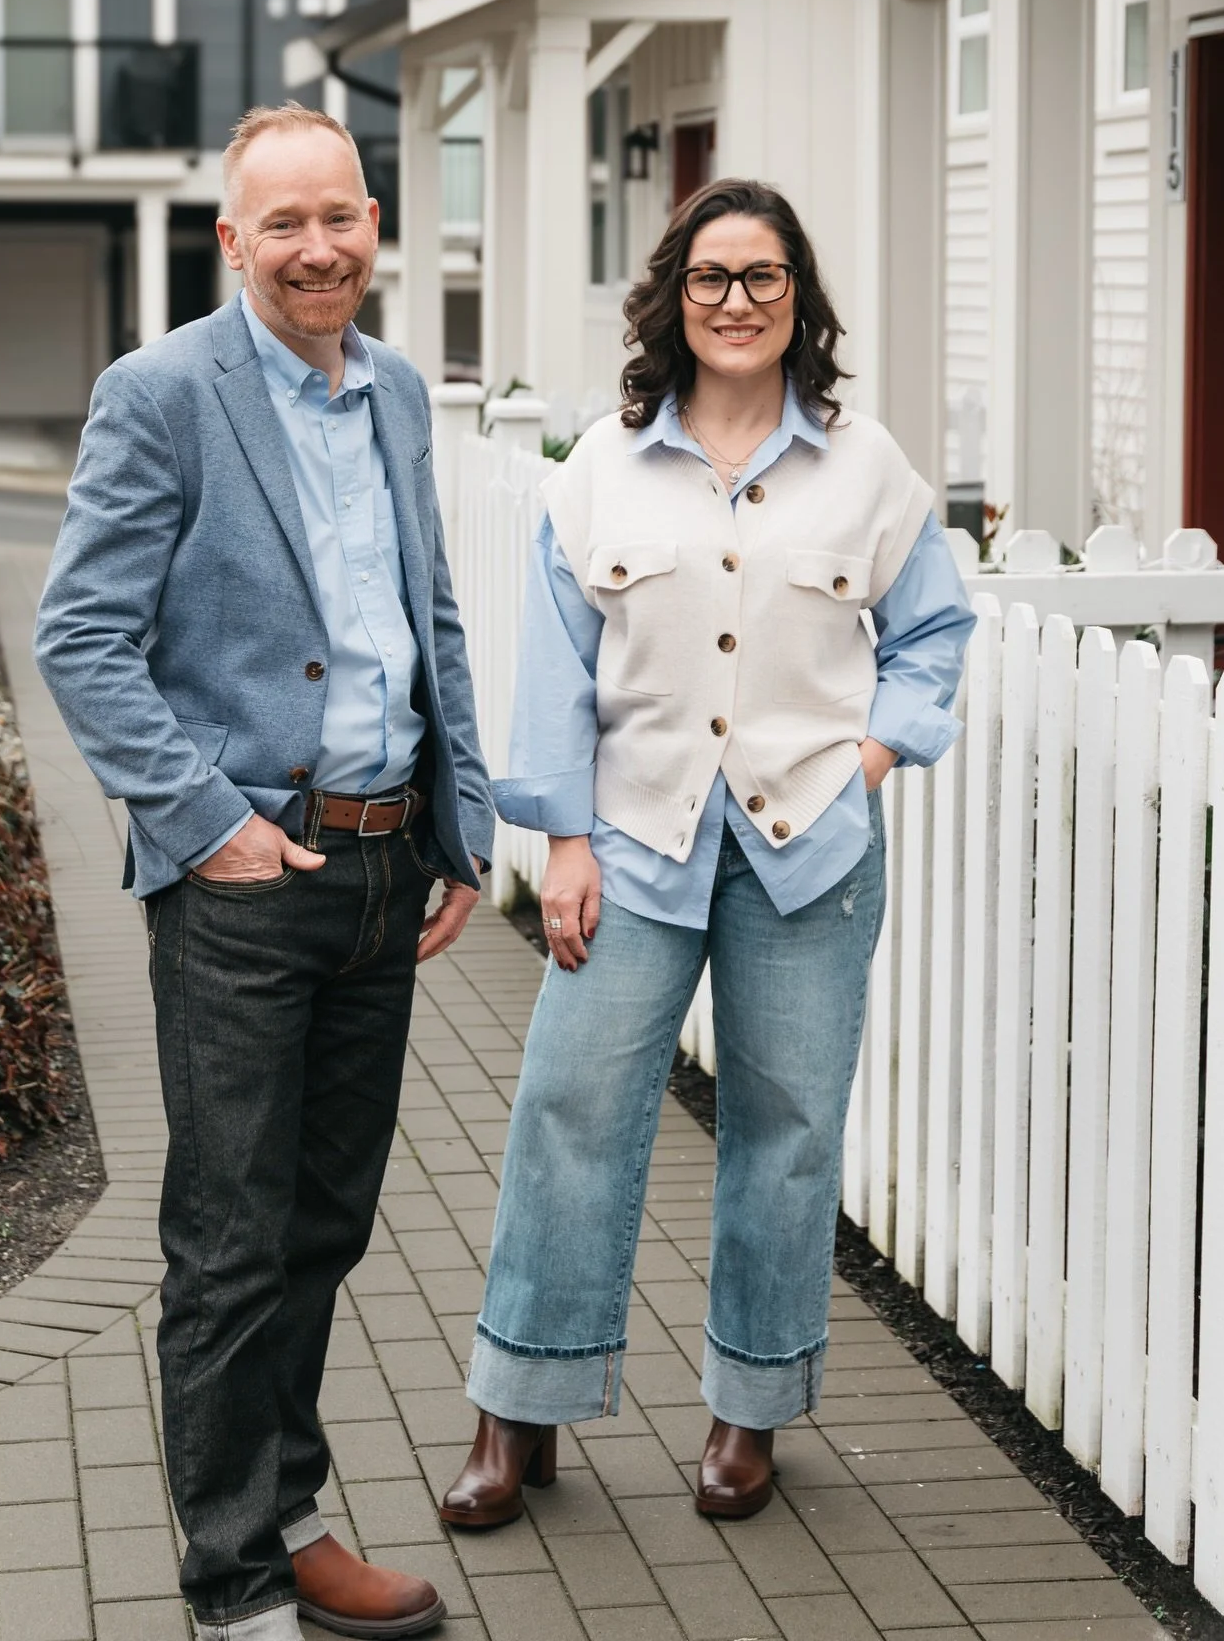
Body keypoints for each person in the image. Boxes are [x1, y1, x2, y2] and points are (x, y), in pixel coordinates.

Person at [439, 177, 976, 1530]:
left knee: (786, 1129)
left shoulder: (868, 467)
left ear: (799, 299)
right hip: (633, 841)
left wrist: (868, 762)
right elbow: (557, 672)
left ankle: (751, 1410)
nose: (737, 301)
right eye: (711, 278)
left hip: (812, 852)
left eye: (763, 277)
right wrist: (563, 843)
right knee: (568, 1108)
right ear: (673, 300)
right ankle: (518, 1409)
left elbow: (932, 637)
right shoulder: (602, 469)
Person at [36, 103, 493, 1640]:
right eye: (282, 223)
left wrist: (460, 826)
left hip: (383, 869)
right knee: (231, 1247)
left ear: (376, 227)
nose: (316, 249)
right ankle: (235, 1588)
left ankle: (286, 1519)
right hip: (242, 883)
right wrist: (204, 821)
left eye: (338, 217)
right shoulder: (162, 394)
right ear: (232, 240)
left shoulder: (399, 391)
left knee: (322, 1228)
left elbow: (428, 613)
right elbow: (80, 638)